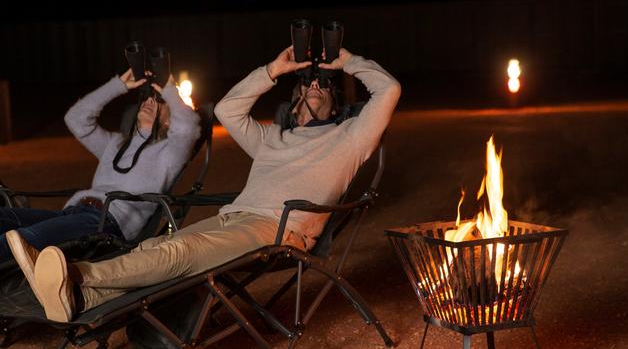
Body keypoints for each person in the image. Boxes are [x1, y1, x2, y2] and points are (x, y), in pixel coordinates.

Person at [8, 45, 400, 323]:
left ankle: (75, 276)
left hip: (277, 232)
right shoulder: (271, 138)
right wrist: (273, 71)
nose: (315, 88)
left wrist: (346, 61)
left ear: (337, 105)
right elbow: (229, 109)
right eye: (307, 87)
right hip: (235, 218)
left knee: (182, 251)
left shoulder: (351, 136)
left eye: (324, 88)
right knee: (156, 245)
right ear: (293, 104)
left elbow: (388, 90)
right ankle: (81, 298)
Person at [1, 69, 201, 301]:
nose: (150, 101)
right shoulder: (115, 145)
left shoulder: (168, 155)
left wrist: (169, 89)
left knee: (21, 238)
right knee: (5, 217)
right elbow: (76, 119)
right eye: (148, 97)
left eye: (160, 102)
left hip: (106, 224)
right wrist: (118, 86)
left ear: (170, 119)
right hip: (74, 213)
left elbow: (188, 129)